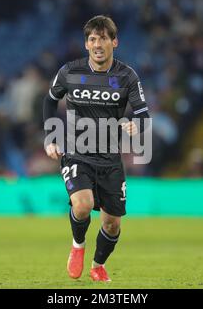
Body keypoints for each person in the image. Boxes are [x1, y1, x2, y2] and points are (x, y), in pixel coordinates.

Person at [43, 15, 150, 282]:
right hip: (76, 152)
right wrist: (50, 137)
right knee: (82, 204)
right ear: (86, 44)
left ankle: (98, 265)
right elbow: (49, 101)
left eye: (103, 38)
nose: (97, 44)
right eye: (92, 39)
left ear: (114, 42)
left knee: (112, 224)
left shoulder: (127, 76)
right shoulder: (69, 72)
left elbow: (143, 114)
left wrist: (136, 125)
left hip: (110, 158)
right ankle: (77, 246)